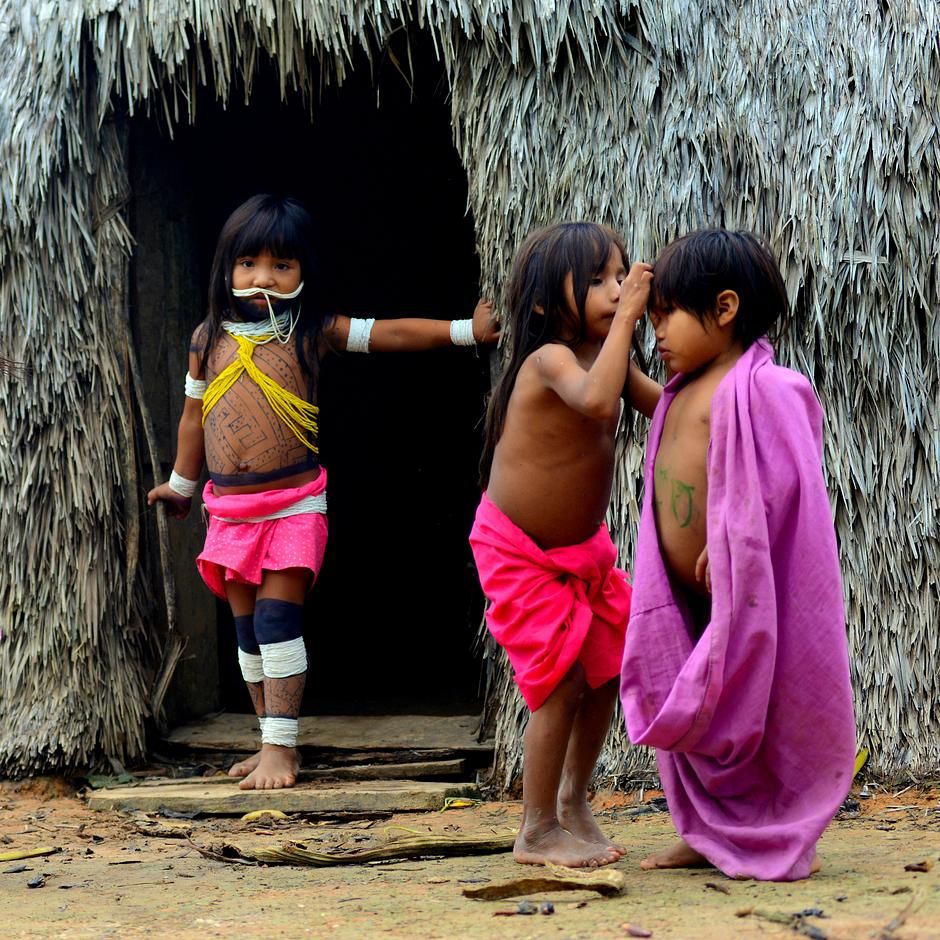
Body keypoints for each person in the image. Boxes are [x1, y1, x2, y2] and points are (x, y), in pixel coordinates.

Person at [148, 194, 498, 791]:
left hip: (292, 506)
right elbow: (191, 418)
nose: (263, 278)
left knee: (278, 620)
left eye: (281, 266)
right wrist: (181, 485)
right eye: (248, 263)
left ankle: (282, 751)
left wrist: (467, 330)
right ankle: (269, 744)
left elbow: (388, 333)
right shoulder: (207, 338)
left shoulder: (311, 331)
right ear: (226, 269)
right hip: (228, 510)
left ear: (304, 272)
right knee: (247, 634)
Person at [619, 229, 855, 881]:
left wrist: (734, 551)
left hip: (741, 591)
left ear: (724, 309)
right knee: (694, 720)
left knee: (750, 714)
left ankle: (757, 827)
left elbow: (787, 485)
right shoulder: (684, 388)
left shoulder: (769, 388)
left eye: (668, 317)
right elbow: (642, 401)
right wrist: (623, 322)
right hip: (682, 592)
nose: (657, 333)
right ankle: (701, 830)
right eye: (654, 319)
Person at [469, 221, 659, 868]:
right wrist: (632, 314)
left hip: (583, 555)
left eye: (619, 276)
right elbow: (601, 403)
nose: (614, 290)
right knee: (559, 684)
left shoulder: (611, 356)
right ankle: (536, 827)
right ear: (551, 304)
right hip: (519, 553)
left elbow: (659, 408)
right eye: (599, 280)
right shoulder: (549, 359)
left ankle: (575, 801)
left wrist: (717, 397)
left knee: (604, 669)